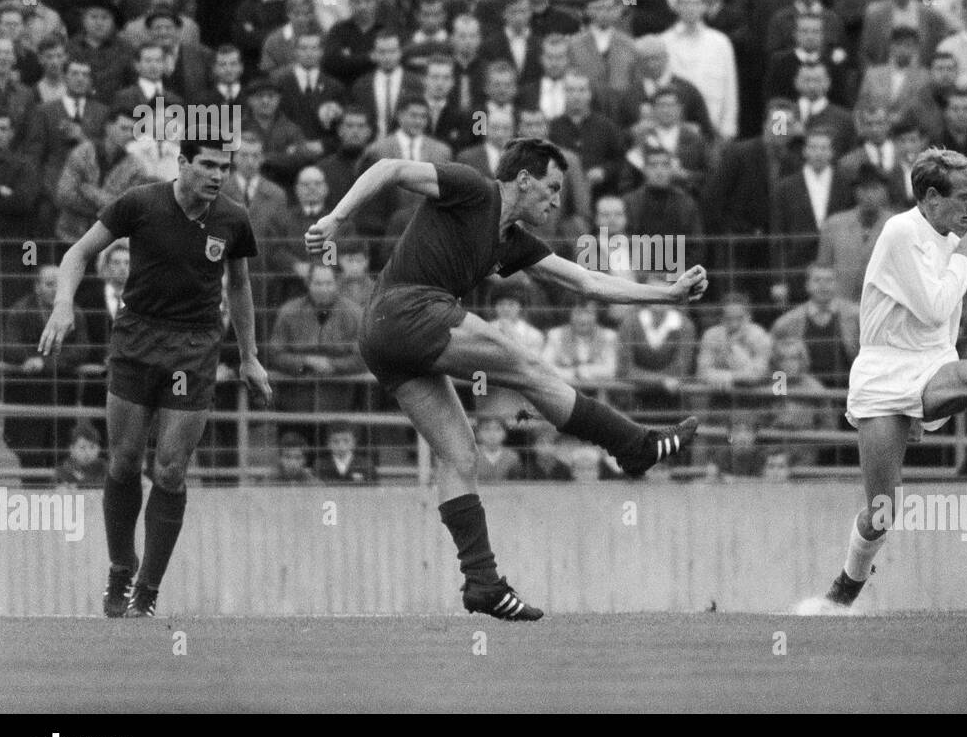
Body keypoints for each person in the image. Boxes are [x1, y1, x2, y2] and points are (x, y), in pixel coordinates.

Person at [304, 139, 705, 620]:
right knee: (529, 367)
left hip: (385, 339)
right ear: (523, 179)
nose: (557, 201)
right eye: (552, 188)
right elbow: (389, 167)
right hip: (406, 310)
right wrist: (336, 219)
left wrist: (668, 295)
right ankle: (633, 444)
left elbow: (587, 282)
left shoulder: (512, 240)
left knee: (458, 454)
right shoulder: (473, 188)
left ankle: (482, 582)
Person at [38, 135, 274, 619]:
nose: (217, 175)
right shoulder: (141, 203)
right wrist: (63, 304)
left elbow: (241, 284)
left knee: (169, 468)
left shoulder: (232, 217)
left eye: (224, 167)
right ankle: (122, 566)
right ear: (182, 163)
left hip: (194, 348)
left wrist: (249, 355)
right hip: (136, 342)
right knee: (124, 462)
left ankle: (148, 588)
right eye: (207, 165)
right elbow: (77, 254)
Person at [822, 148, 967, 609]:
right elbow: (933, 305)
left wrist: (961, 260)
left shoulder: (951, 239)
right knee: (881, 513)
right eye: (965, 197)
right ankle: (847, 585)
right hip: (884, 372)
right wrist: (966, 260)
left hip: (930, 363)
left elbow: (942, 324)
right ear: (931, 197)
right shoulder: (900, 231)